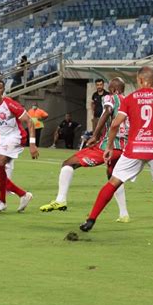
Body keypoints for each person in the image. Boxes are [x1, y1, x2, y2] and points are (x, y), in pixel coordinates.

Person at [79, 67, 153, 236]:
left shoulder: (130, 98)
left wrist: (109, 147)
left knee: (113, 182)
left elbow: (115, 124)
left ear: (140, 80)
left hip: (134, 148)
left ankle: (91, 220)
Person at [40, 78, 130, 222]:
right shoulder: (129, 101)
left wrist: (94, 135)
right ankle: (124, 214)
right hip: (125, 148)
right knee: (114, 177)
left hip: (109, 146)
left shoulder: (110, 97)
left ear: (113, 90)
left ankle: (61, 199)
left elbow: (107, 111)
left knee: (68, 163)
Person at [0, 81, 39, 212]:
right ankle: (23, 195)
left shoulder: (9, 104)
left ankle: (2, 202)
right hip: (3, 139)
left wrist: (32, 144)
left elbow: (29, 121)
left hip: (16, 137)